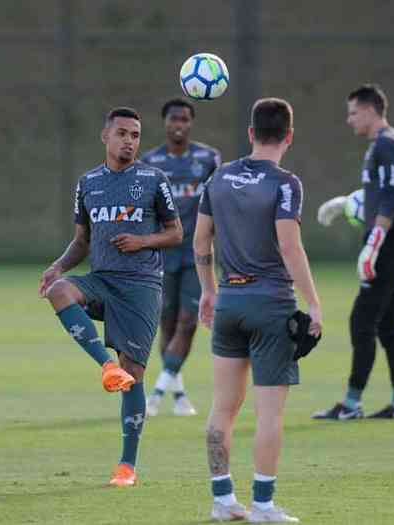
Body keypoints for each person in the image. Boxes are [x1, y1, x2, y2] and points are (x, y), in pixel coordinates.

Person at [38, 107, 183, 487]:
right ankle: (106, 367)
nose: (129, 141)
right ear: (106, 136)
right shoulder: (88, 183)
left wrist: (143, 241)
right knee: (59, 291)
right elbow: (82, 241)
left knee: (134, 376)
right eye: (122, 133)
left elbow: (175, 233)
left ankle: (127, 467)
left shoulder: (154, 179)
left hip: (141, 286)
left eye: (135, 135)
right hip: (102, 280)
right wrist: (57, 266)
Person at [195, 98, 322, 522]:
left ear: (250, 133)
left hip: (229, 302)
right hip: (271, 305)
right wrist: (314, 303)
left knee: (222, 407)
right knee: (269, 413)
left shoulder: (218, 177)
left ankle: (222, 500)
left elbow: (200, 245)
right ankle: (264, 506)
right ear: (289, 136)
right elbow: (289, 246)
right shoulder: (286, 183)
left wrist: (209, 292)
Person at [312, 84, 394, 421]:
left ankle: (352, 404)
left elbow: (391, 198)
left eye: (353, 112)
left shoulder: (385, 145)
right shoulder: (388, 143)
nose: (349, 119)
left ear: (371, 110)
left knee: (362, 321)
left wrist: (373, 244)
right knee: (388, 323)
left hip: (387, 244)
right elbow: (380, 191)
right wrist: (349, 203)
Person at [140, 98, 221, 417]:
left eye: (185, 119)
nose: (179, 124)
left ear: (191, 123)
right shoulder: (150, 162)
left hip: (197, 252)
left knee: (189, 322)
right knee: (168, 323)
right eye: (174, 118)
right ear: (165, 122)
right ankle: (179, 394)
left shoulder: (208, 158)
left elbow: (217, 203)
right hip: (162, 253)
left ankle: (157, 392)